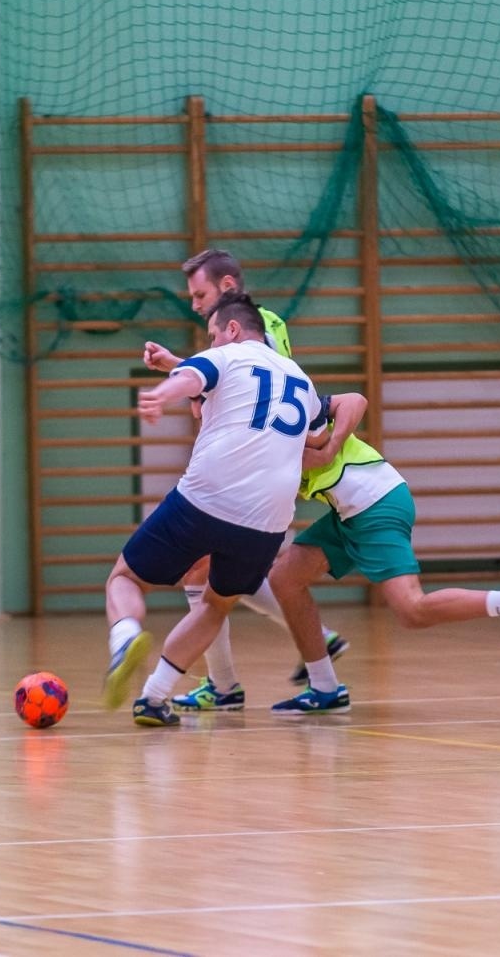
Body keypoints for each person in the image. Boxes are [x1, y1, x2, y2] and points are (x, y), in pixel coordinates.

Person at [256, 390, 500, 716]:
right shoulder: (255, 435)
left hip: (375, 503)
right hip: (351, 510)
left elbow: (356, 400)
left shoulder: (280, 403)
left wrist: (330, 449)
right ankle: (324, 689)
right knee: (285, 578)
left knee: (412, 610)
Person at [138, 248, 348, 710]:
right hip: (262, 471)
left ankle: (228, 684)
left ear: (228, 289)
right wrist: (178, 365)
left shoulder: (257, 332)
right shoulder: (252, 331)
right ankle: (234, 682)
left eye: (200, 294)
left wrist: (179, 382)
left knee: (223, 577)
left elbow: (253, 387)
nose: (194, 305)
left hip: (255, 472)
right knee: (215, 575)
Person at [102, 292, 319, 726]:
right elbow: (315, 443)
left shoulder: (228, 356)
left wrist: (161, 393)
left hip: (209, 497)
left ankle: (125, 638)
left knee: (124, 577)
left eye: (214, 334)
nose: (213, 342)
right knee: (216, 604)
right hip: (268, 521)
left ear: (233, 330)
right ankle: (154, 697)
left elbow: (193, 375)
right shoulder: (303, 382)